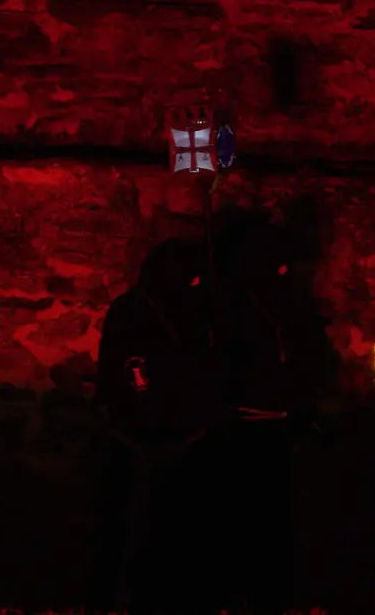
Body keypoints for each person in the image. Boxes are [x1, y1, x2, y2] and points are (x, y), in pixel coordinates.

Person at [212, 210, 339, 613]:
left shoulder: (280, 298)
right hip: (239, 424)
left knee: (269, 519)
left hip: (274, 425)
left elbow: (307, 353)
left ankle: (266, 594)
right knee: (243, 519)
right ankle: (242, 592)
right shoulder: (236, 299)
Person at [88, 237, 223, 613]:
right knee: (131, 528)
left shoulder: (194, 309)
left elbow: (200, 363)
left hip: (183, 436)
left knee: (175, 531)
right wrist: (145, 406)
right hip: (138, 437)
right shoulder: (133, 309)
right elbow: (130, 365)